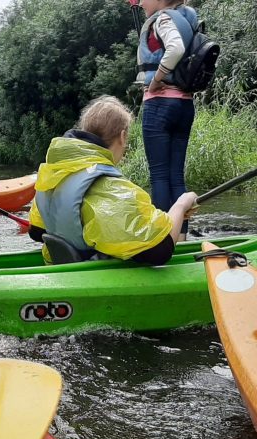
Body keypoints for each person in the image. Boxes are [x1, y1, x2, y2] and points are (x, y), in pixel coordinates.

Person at [28, 96, 197, 264]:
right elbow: (160, 250)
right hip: (92, 278)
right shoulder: (110, 188)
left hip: (65, 270)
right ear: (122, 137)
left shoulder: (55, 174)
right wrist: (181, 206)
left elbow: (36, 230)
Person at [136, 0, 200, 240]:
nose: (141, 2)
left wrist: (156, 80)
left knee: (160, 176)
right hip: (184, 105)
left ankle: (164, 239)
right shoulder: (188, 18)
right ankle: (180, 238)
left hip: (160, 103)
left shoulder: (163, 18)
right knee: (175, 176)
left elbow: (175, 48)